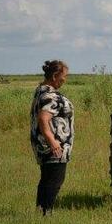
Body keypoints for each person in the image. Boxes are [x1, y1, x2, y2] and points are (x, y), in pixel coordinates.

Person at [30, 60, 74, 215]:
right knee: (55, 181)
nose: (64, 80)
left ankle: (40, 211)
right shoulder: (50, 95)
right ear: (55, 76)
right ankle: (46, 213)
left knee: (46, 179)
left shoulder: (41, 90)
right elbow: (43, 119)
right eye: (63, 77)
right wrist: (53, 142)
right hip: (53, 147)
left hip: (44, 145)